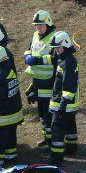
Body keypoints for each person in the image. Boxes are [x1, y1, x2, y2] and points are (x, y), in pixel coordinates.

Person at [23, 10, 57, 145]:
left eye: (40, 25)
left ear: (48, 24)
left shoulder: (54, 38)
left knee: (49, 112)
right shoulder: (35, 36)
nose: (38, 27)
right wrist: (27, 55)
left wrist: (36, 60)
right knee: (41, 112)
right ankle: (46, 137)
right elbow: (29, 49)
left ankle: (52, 139)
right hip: (37, 80)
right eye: (36, 25)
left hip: (49, 81)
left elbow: (54, 58)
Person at [48, 31, 79, 162]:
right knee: (70, 127)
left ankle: (56, 158)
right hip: (70, 105)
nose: (56, 50)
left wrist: (62, 105)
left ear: (65, 45)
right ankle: (72, 149)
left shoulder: (67, 62)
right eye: (55, 48)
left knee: (57, 131)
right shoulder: (65, 58)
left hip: (63, 104)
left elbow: (68, 86)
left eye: (58, 47)